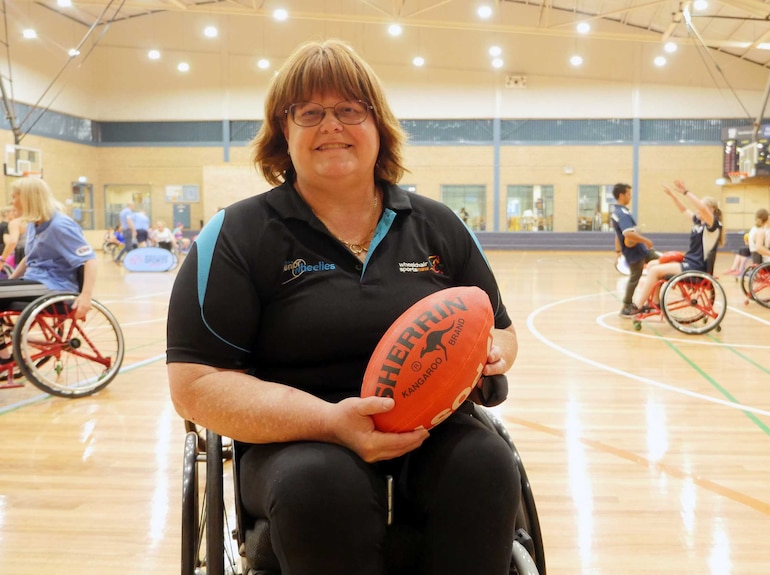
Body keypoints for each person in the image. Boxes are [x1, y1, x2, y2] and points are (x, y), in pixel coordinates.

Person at [166, 39, 520, 575]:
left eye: (350, 110)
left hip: (433, 425)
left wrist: (488, 352)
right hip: (297, 438)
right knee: (320, 483)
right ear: (283, 133)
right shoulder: (237, 234)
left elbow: (501, 331)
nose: (331, 124)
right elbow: (195, 383)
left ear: (378, 127)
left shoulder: (437, 224)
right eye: (309, 112)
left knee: (486, 463)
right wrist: (330, 422)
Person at [0, 177, 97, 362]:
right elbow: (30, 258)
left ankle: (3, 355)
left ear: (28, 198)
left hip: (53, 286)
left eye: (14, 197)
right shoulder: (33, 224)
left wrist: (86, 297)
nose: (11, 202)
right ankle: (3, 350)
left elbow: (90, 260)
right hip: (34, 281)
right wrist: (10, 282)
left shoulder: (60, 225)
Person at [632, 180, 724, 312]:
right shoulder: (699, 222)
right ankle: (656, 303)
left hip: (697, 266)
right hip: (689, 261)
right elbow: (684, 210)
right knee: (652, 264)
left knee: (654, 271)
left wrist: (686, 192)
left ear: (712, 210)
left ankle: (638, 305)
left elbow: (702, 208)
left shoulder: (713, 226)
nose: (698, 208)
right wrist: (673, 196)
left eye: (701, 206)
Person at [610, 183, 660, 317]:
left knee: (661, 263)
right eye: (628, 194)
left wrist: (618, 252)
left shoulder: (617, 212)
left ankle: (656, 301)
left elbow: (617, 234)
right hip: (635, 252)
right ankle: (626, 306)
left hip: (640, 250)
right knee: (635, 278)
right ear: (621, 195)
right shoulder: (623, 214)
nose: (630, 197)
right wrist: (646, 240)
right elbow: (627, 234)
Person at [724, 211, 767, 276]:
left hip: (754, 250)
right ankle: (736, 269)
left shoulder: (755, 228)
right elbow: (760, 246)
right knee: (742, 250)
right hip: (756, 251)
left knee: (743, 250)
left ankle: (738, 269)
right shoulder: (760, 230)